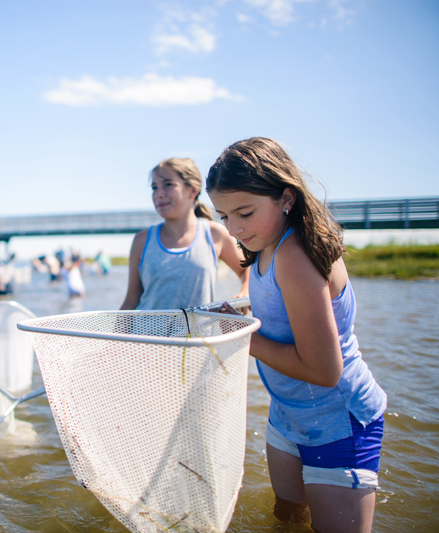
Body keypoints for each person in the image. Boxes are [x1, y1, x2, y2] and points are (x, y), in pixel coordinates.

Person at [206, 137, 386, 533]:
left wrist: (242, 336)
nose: (234, 228)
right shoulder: (266, 245)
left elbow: (325, 370)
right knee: (287, 519)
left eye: (245, 212)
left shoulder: (294, 254)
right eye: (223, 216)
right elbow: (284, 313)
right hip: (288, 415)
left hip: (338, 420)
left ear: (286, 198)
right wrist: (241, 314)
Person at [120, 157, 248, 311]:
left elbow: (246, 268)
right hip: (146, 334)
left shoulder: (214, 234)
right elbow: (131, 301)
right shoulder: (142, 240)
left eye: (168, 185)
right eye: (154, 187)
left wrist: (244, 292)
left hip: (197, 334)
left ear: (193, 190)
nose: (158, 194)